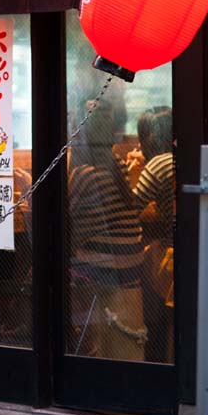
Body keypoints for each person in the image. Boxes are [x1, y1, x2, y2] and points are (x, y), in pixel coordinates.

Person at [68, 103, 146, 360]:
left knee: (41, 269)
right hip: (131, 267)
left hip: (106, 271)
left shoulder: (85, 174)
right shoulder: (119, 168)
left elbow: (62, 223)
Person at [127, 107, 175, 362]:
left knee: (146, 258)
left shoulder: (159, 163)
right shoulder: (177, 157)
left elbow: (129, 209)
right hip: (189, 250)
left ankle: (153, 358)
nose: (138, 143)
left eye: (141, 136)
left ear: (151, 138)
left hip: (173, 257)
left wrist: (132, 173)